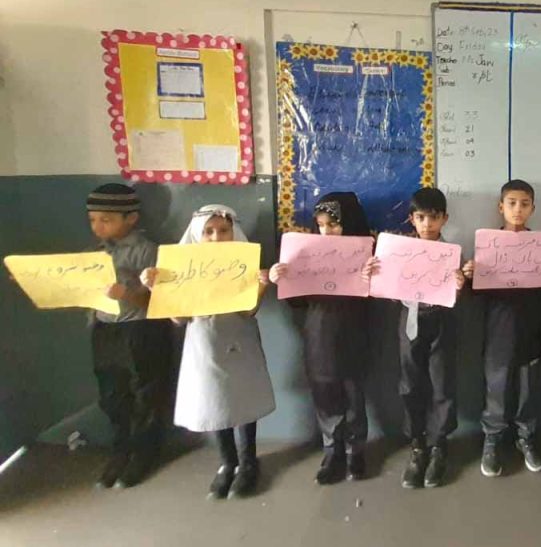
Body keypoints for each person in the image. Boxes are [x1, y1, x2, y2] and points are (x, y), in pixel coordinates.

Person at [141, 204, 275, 499]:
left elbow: (248, 310)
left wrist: (262, 285)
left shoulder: (242, 264)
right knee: (214, 399)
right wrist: (157, 289)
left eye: (224, 230)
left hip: (239, 340)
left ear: (233, 232)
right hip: (204, 342)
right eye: (209, 232)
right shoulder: (185, 271)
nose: (216, 237)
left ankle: (248, 461)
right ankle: (228, 462)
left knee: (243, 397)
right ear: (197, 235)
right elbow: (179, 318)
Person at [364, 187, 466, 488]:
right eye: (421, 218)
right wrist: (373, 273)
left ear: (444, 218)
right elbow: (385, 286)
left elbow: (457, 295)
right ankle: (418, 445)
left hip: (442, 321)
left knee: (442, 383)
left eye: (433, 218)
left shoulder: (452, 253)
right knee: (410, 384)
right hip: (410, 320)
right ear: (412, 219)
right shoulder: (398, 252)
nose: (427, 224)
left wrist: (460, 284)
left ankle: (439, 445)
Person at [269, 192, 371, 484]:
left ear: (349, 223)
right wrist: (282, 278)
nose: (327, 231)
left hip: (354, 330)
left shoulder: (366, 252)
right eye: (322, 225)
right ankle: (332, 450)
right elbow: (297, 302)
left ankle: (355, 450)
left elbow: (380, 295)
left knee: (353, 392)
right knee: (325, 391)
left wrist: (371, 277)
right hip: (319, 331)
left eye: (334, 224)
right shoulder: (307, 254)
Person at [86, 183, 172, 489]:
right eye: (93, 219)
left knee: (145, 392)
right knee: (112, 393)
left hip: (139, 328)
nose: (98, 226)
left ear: (131, 218)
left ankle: (143, 453)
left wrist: (126, 294)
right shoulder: (97, 252)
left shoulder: (146, 250)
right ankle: (120, 451)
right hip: (105, 328)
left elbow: (157, 299)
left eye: (106, 220)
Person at [472, 179, 541, 478]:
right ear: (500, 207)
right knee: (497, 389)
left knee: (528, 390)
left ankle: (525, 437)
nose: (518, 209)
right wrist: (472, 274)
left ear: (533, 209)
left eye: (524, 204)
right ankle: (492, 439)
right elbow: (478, 293)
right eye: (512, 203)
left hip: (531, 329)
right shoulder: (488, 245)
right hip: (498, 331)